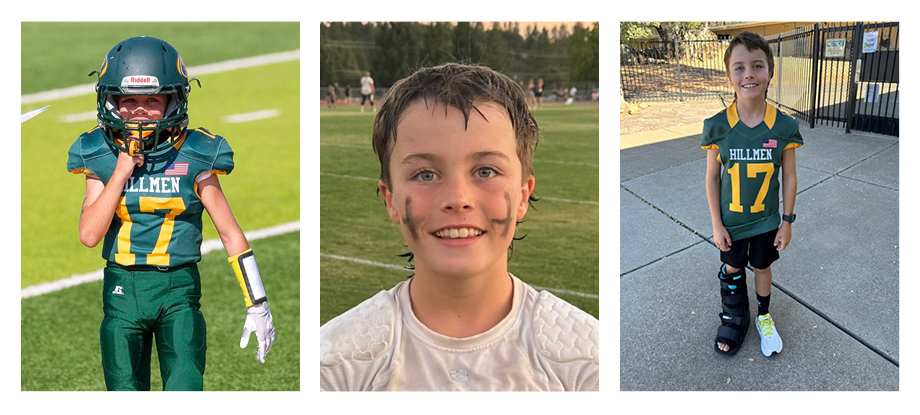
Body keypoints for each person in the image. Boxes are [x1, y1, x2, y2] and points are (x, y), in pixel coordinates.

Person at [320, 63, 599, 391]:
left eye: (485, 171)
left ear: (523, 195)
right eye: (425, 174)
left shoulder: (585, 361)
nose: (458, 199)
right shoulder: (334, 364)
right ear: (390, 198)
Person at [67, 36, 276, 391]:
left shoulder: (196, 152)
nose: (139, 110)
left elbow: (229, 232)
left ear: (173, 100)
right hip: (121, 292)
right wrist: (120, 174)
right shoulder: (99, 153)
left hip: (178, 290)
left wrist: (257, 302)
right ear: (112, 102)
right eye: (128, 100)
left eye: (152, 100)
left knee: (185, 389)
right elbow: (89, 235)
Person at [702, 31, 801, 357]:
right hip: (731, 221)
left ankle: (763, 316)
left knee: (762, 267)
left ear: (770, 72)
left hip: (766, 221)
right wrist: (717, 224)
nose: (749, 75)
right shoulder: (718, 126)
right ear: (729, 75)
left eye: (757, 66)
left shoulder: (783, 126)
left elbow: (789, 176)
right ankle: (733, 314)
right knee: (731, 268)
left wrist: (786, 221)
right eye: (740, 67)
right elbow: (713, 177)